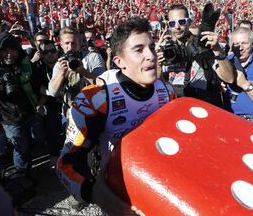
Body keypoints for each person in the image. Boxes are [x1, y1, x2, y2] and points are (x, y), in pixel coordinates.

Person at [57, 17, 175, 215]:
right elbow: (65, 164)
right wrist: (96, 193)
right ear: (119, 61)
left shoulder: (167, 91)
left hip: (162, 189)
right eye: (139, 50)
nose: (151, 56)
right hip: (121, 195)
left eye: (152, 47)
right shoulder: (96, 99)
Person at [0, 31, 44, 176]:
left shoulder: (24, 60)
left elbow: (37, 83)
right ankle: (22, 176)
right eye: (5, 51)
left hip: (30, 110)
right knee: (21, 146)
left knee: (34, 139)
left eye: (13, 50)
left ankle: (28, 164)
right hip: (8, 117)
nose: (9, 54)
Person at [159, 3, 234, 107]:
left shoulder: (204, 44)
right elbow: (160, 85)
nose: (177, 27)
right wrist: (157, 65)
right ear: (169, 25)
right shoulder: (165, 49)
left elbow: (229, 78)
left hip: (203, 105)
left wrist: (217, 51)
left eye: (181, 22)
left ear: (189, 22)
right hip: (176, 106)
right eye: (172, 23)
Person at [48, 27, 105, 115]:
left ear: (79, 44)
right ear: (61, 45)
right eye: (67, 43)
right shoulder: (60, 64)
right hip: (70, 112)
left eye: (73, 43)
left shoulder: (93, 57)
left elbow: (103, 86)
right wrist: (62, 73)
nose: (70, 47)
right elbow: (53, 92)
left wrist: (82, 71)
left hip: (94, 110)